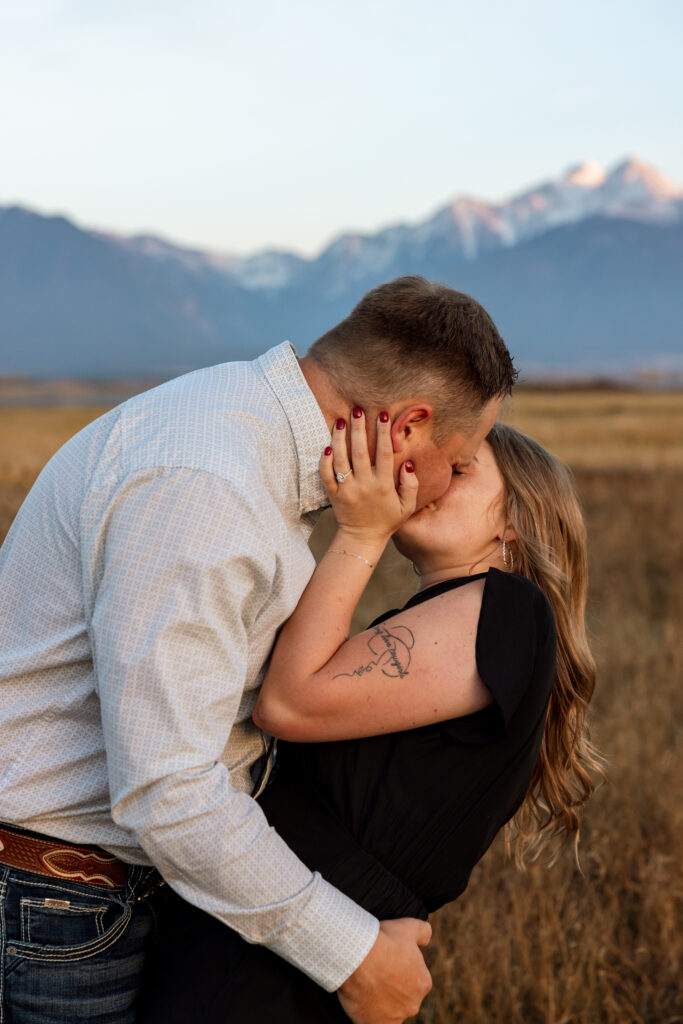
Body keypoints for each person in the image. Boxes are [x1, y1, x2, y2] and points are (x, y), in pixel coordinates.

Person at [0, 277, 516, 1024]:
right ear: (407, 427)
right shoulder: (210, 486)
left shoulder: (238, 433)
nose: (445, 483)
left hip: (89, 898)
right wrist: (354, 955)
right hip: (56, 906)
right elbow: (166, 790)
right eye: (460, 457)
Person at [139, 416, 601, 1023]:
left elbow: (287, 702)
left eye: (456, 469)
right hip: (295, 935)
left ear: (515, 520)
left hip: (293, 960)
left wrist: (360, 532)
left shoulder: (510, 611)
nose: (423, 478)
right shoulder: (450, 619)